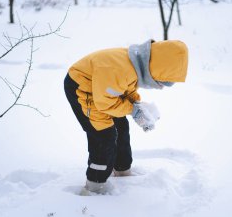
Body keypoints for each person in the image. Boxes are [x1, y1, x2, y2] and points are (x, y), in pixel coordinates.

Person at [64, 39, 188, 194]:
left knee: (121, 126)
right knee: (104, 135)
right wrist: (132, 110)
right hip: (82, 89)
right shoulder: (120, 69)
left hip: (103, 90)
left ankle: (122, 170)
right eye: (162, 82)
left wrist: (136, 106)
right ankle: (95, 185)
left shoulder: (135, 65)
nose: (162, 87)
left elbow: (123, 88)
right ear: (154, 72)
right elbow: (105, 103)